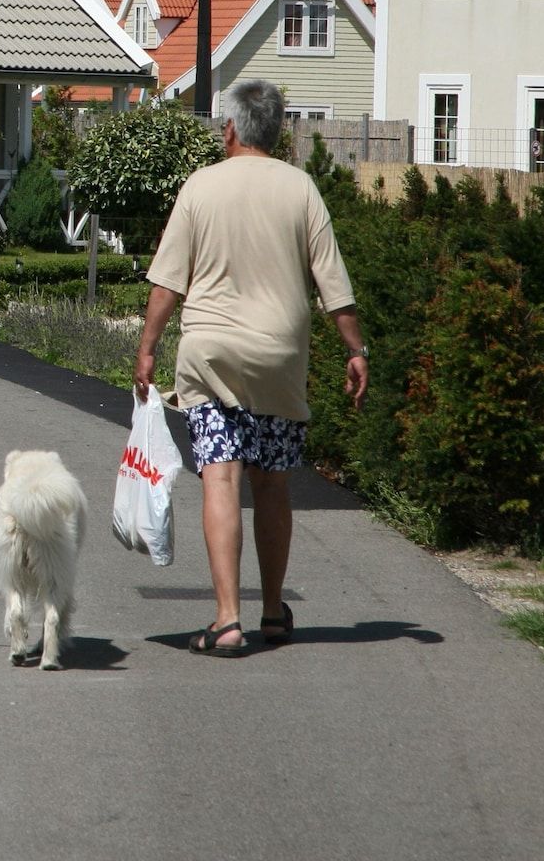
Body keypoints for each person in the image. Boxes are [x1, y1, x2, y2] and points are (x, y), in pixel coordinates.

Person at [133, 79, 368, 657]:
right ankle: (273, 611)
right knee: (272, 481)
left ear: (231, 129)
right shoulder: (301, 189)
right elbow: (332, 283)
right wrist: (356, 349)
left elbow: (168, 282)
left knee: (221, 476)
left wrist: (148, 348)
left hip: (211, 353)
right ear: (279, 133)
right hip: (277, 357)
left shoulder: (200, 186)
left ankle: (227, 619)